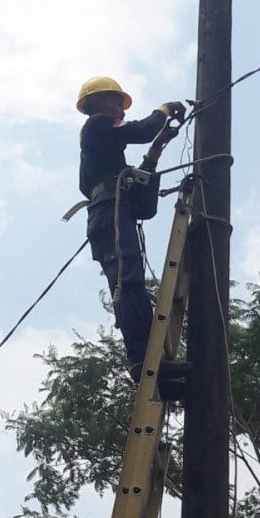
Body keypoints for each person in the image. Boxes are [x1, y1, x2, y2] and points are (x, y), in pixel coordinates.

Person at [76, 75, 190, 395]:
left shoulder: (108, 153)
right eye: (117, 102)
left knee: (134, 284)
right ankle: (141, 361)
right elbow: (140, 130)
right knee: (127, 282)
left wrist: (157, 148)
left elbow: (140, 198)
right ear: (98, 103)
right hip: (107, 212)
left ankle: (152, 363)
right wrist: (163, 110)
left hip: (114, 212)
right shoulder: (97, 125)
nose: (121, 109)